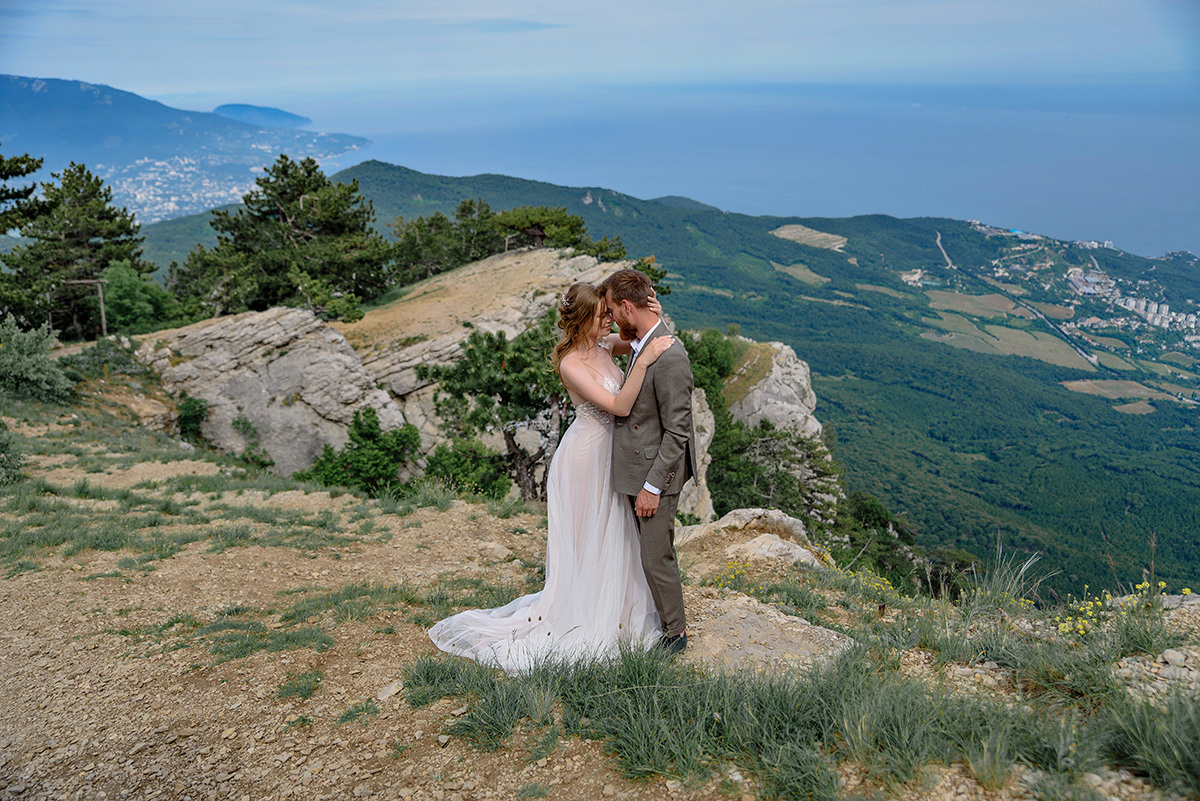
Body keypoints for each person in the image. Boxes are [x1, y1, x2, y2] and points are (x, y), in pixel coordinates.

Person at [428, 282, 675, 673]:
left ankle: (618, 610)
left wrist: (654, 319)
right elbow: (619, 404)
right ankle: (585, 615)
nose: (608, 319)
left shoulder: (605, 344)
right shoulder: (570, 364)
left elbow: (645, 341)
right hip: (583, 460)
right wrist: (642, 365)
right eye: (601, 316)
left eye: (609, 314)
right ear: (581, 321)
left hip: (609, 455)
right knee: (590, 537)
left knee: (614, 535)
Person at [600, 268, 697, 656]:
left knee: (656, 556)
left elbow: (678, 432)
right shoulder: (643, 338)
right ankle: (656, 619)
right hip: (637, 467)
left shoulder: (670, 358)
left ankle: (675, 635)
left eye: (612, 311)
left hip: (656, 474)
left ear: (627, 307)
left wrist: (652, 488)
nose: (610, 318)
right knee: (646, 554)